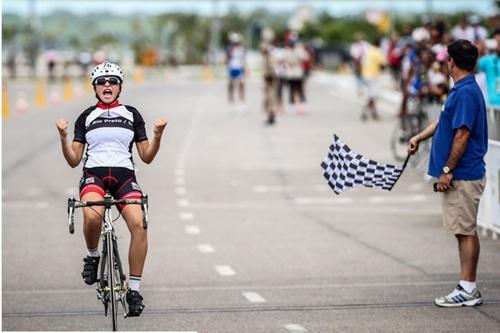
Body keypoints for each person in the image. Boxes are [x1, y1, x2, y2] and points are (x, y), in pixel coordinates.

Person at [55, 61, 167, 316]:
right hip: (94, 174)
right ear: (95, 87)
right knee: (92, 216)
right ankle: (93, 256)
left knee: (139, 225)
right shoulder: (86, 116)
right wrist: (63, 138)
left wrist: (158, 135)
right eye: (102, 81)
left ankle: (134, 290)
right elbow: (74, 160)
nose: (108, 84)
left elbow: (146, 156)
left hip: (124, 177)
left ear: (120, 87)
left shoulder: (132, 114)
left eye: (113, 81)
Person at [407, 40, 488, 307]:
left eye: (446, 59)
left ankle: (467, 287)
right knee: (463, 230)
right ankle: (466, 285)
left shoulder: (465, 93)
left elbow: (462, 134)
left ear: (451, 61)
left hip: (463, 174)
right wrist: (419, 137)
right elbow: (444, 121)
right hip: (460, 173)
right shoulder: (461, 90)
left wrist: (446, 170)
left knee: (465, 231)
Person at [360, 37, 386, 120]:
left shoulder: (368, 50)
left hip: (365, 74)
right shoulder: (378, 51)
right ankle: (369, 113)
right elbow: (383, 65)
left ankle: (372, 113)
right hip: (373, 75)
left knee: (370, 95)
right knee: (373, 95)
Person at [225, 32, 246, 108]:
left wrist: (244, 69)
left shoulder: (241, 49)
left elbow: (243, 60)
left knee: (241, 85)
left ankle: (242, 101)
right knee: (231, 85)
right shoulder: (229, 49)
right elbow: (226, 59)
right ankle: (231, 101)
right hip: (232, 68)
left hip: (239, 68)